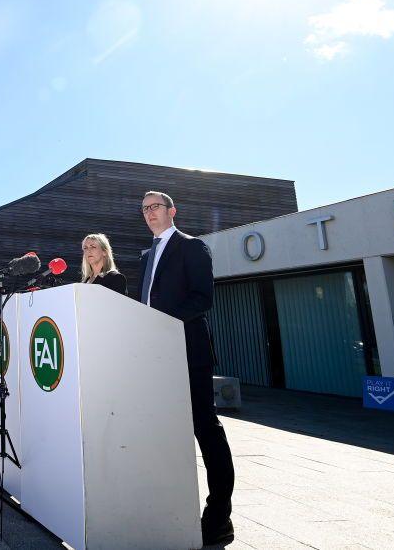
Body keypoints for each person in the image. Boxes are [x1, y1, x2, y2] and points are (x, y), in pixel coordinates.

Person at [139, 191, 234, 547]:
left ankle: (219, 517)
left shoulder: (192, 246)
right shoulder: (147, 255)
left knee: (204, 428)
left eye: (155, 207)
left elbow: (202, 297)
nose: (150, 213)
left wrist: (161, 322)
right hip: (154, 356)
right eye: (145, 209)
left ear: (172, 210)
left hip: (188, 351)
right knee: (161, 430)